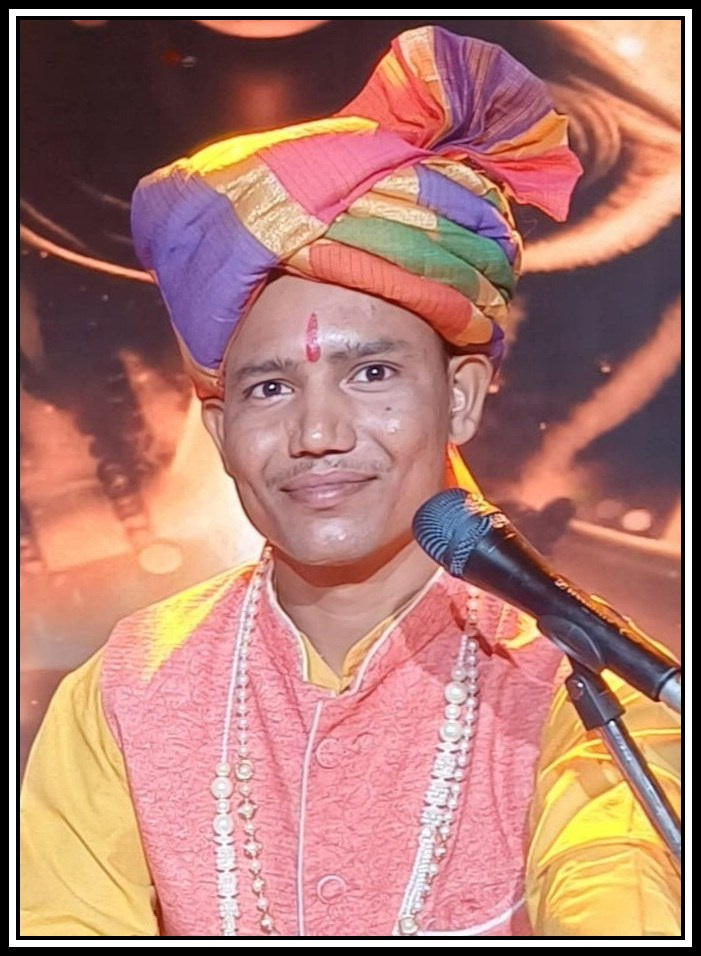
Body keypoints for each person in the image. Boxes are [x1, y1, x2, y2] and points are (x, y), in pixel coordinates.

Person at [19, 26, 681, 938]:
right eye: (269, 388)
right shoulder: (124, 695)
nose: (318, 434)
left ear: (459, 397)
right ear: (220, 431)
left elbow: (615, 888)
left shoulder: (583, 687)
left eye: (370, 373)